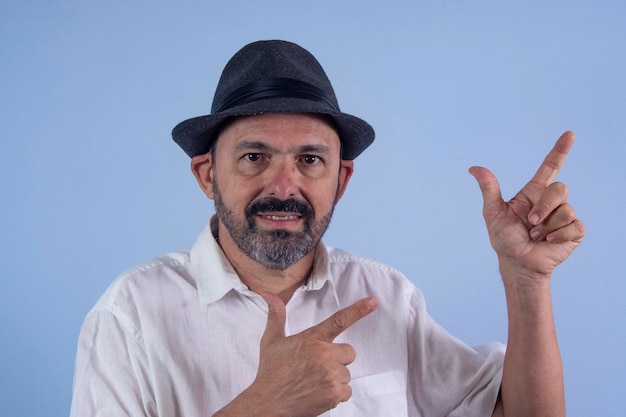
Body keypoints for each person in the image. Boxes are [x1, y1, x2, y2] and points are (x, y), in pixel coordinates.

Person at [70, 40, 585, 417]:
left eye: (311, 159)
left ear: (341, 180)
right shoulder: (131, 315)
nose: (284, 185)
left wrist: (526, 281)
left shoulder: (385, 295)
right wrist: (263, 407)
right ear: (208, 175)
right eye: (254, 156)